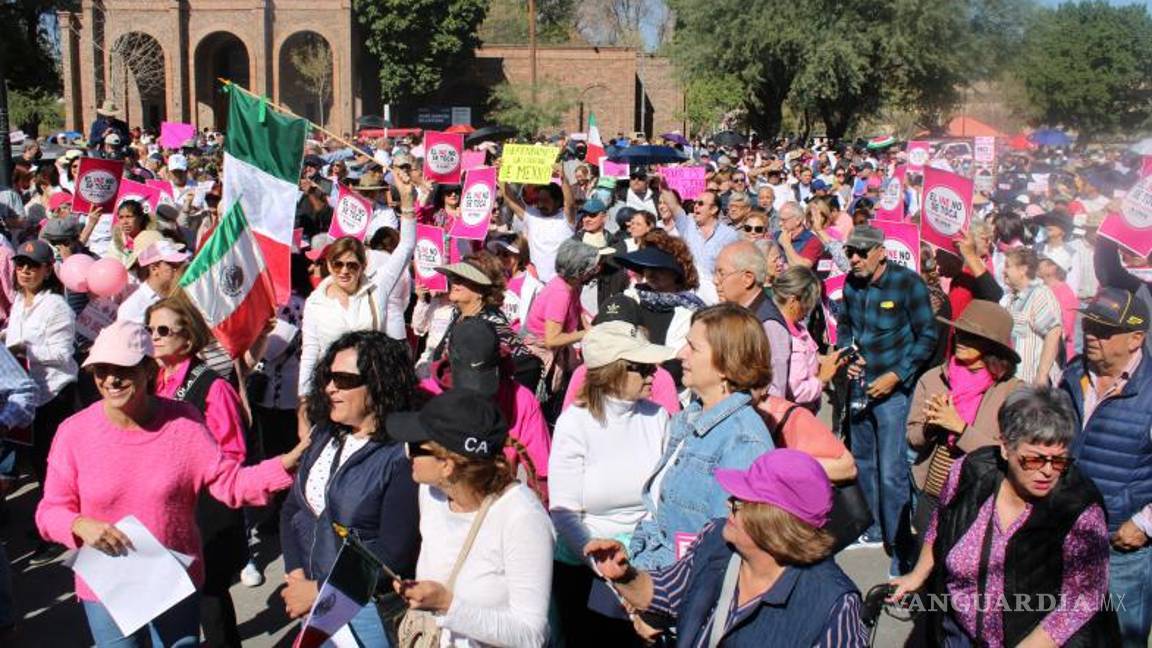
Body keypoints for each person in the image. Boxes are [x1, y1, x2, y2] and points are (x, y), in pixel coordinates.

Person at [35, 321, 308, 646]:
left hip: (172, 579)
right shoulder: (74, 432)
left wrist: (286, 463)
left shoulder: (184, 421)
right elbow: (49, 511)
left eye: (122, 368)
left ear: (148, 369)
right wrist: (80, 524)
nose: (110, 379)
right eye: (101, 370)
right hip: (107, 586)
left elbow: (230, 483)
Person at [890, 388, 1119, 647]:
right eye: (1033, 460)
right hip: (959, 634)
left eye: (1058, 461)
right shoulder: (969, 471)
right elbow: (941, 522)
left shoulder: (1079, 506)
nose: (1046, 471)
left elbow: (1084, 598)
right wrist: (918, 573)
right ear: (1005, 448)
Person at [586, 450, 867, 647]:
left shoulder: (833, 603)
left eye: (739, 502)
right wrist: (625, 575)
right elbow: (668, 592)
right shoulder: (716, 541)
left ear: (774, 524)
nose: (727, 505)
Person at [279, 331, 421, 644]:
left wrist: (318, 593)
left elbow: (392, 555)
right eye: (328, 376)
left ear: (379, 384)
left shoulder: (401, 456)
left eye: (344, 380)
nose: (330, 388)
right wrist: (296, 573)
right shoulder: (324, 434)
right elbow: (293, 508)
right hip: (312, 595)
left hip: (365, 609)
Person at [389, 390, 554, 647]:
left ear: (447, 465)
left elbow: (531, 636)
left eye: (414, 447)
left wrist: (448, 604)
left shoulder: (521, 517)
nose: (406, 454)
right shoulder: (432, 493)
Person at [549, 320, 673, 643]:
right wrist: (601, 565)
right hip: (586, 568)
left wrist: (640, 568)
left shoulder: (658, 418)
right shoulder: (575, 424)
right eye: (642, 367)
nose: (653, 373)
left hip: (646, 562)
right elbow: (563, 512)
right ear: (613, 371)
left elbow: (662, 500)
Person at [629, 303, 776, 570]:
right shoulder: (687, 418)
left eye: (693, 348)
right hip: (654, 570)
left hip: (685, 587)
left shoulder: (743, 441)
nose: (681, 354)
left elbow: (724, 549)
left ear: (725, 363)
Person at [144, 295, 250, 645]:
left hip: (206, 508)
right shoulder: (151, 382)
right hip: (163, 506)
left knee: (209, 597)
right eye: (149, 330)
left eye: (163, 330)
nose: (154, 337)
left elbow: (233, 452)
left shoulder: (213, 386)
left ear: (187, 339)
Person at [837, 224, 939, 573]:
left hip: (894, 391)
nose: (854, 258)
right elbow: (845, 327)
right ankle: (872, 528)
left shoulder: (908, 283)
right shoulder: (851, 284)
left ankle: (899, 543)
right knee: (862, 460)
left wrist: (897, 375)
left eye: (861, 252)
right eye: (850, 251)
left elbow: (928, 335)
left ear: (881, 251)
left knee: (892, 470)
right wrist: (846, 357)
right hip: (859, 387)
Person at [1059, 288, 1152, 647]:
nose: (1091, 334)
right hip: (1065, 533)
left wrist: (1144, 523)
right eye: (1089, 324)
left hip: (1121, 546)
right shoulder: (1070, 375)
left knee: (1121, 640)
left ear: (1136, 339)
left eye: (1104, 329)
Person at [906, 300, 1022, 534]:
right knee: (924, 564)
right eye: (959, 333)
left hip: (979, 499)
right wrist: (931, 427)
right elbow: (913, 438)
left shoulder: (1013, 391)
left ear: (993, 346)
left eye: (972, 337)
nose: (961, 340)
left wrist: (960, 427)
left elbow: (1011, 453)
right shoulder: (933, 378)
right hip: (932, 492)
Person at [5, 239, 78, 558]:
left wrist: (25, 349)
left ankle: (59, 533)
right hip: (27, 396)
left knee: (52, 467)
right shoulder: (20, 302)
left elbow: (63, 354)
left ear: (48, 270)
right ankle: (47, 521)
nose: (24, 270)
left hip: (54, 395)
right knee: (37, 465)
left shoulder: (57, 306)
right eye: (20, 264)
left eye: (32, 266)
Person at [298, 206, 416, 396]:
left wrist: (407, 203)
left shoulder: (378, 288)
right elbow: (310, 354)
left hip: (373, 388)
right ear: (329, 264)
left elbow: (407, 246)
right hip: (332, 389)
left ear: (363, 266)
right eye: (338, 264)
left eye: (352, 265)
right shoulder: (315, 301)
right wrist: (304, 400)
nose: (344, 271)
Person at [424, 253, 541, 390]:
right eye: (454, 277)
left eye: (463, 279)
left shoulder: (492, 324)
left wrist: (503, 401)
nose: (455, 282)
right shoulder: (459, 313)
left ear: (481, 289)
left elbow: (528, 366)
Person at [771, 266, 848, 411]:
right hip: (795, 415)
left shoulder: (797, 327)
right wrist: (822, 379)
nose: (809, 309)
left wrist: (823, 360)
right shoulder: (785, 338)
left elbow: (805, 356)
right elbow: (796, 391)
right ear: (793, 301)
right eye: (808, 302)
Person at [1000, 247, 1063, 386]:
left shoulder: (1039, 294)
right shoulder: (1011, 298)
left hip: (1031, 383)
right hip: (1014, 382)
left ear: (1023, 269)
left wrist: (1041, 376)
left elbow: (1053, 332)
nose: (1003, 271)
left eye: (1008, 266)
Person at [502, 176, 577, 283]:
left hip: (559, 284)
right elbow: (510, 199)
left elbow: (570, 205)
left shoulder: (566, 218)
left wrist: (564, 178)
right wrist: (502, 176)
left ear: (557, 201)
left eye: (545, 201)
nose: (541, 204)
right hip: (534, 282)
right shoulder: (532, 215)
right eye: (539, 200)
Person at [116, 231, 190, 324]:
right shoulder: (132, 308)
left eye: (180, 263)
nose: (178, 268)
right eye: (172, 264)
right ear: (154, 268)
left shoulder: (181, 294)